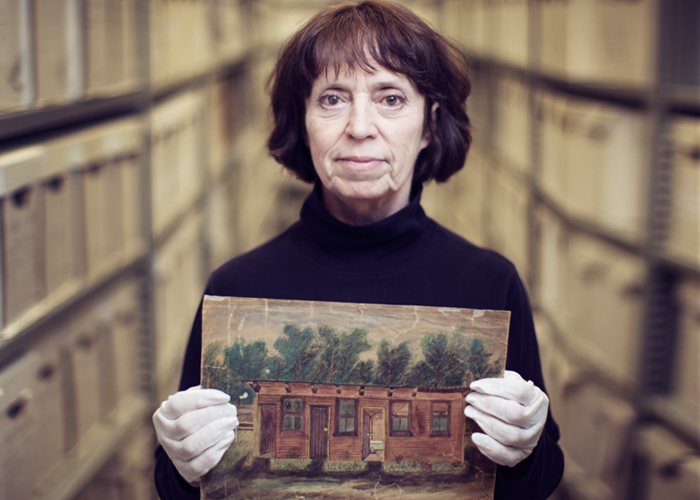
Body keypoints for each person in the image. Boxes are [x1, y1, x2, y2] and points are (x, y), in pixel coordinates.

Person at [152, 1, 565, 499]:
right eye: (332, 99)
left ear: (430, 125)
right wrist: (179, 461)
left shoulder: (489, 283)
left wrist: (527, 448)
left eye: (390, 98)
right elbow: (183, 489)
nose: (360, 126)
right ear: (303, 123)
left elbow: (537, 485)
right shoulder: (238, 289)